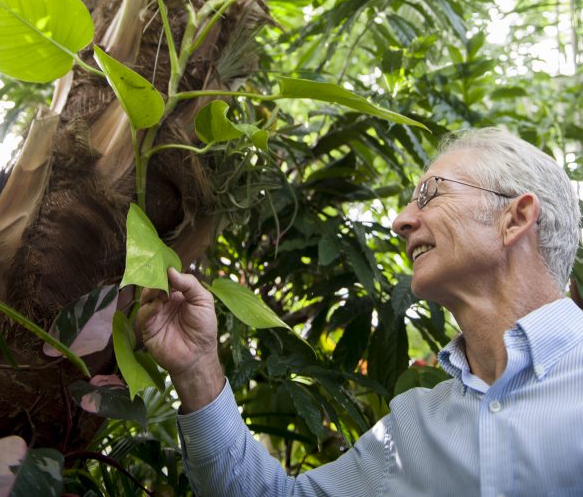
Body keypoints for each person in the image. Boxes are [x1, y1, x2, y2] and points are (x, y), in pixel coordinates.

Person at [139, 128, 583, 496]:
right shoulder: (412, 428)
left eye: (430, 194)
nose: (401, 220)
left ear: (515, 218)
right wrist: (198, 369)